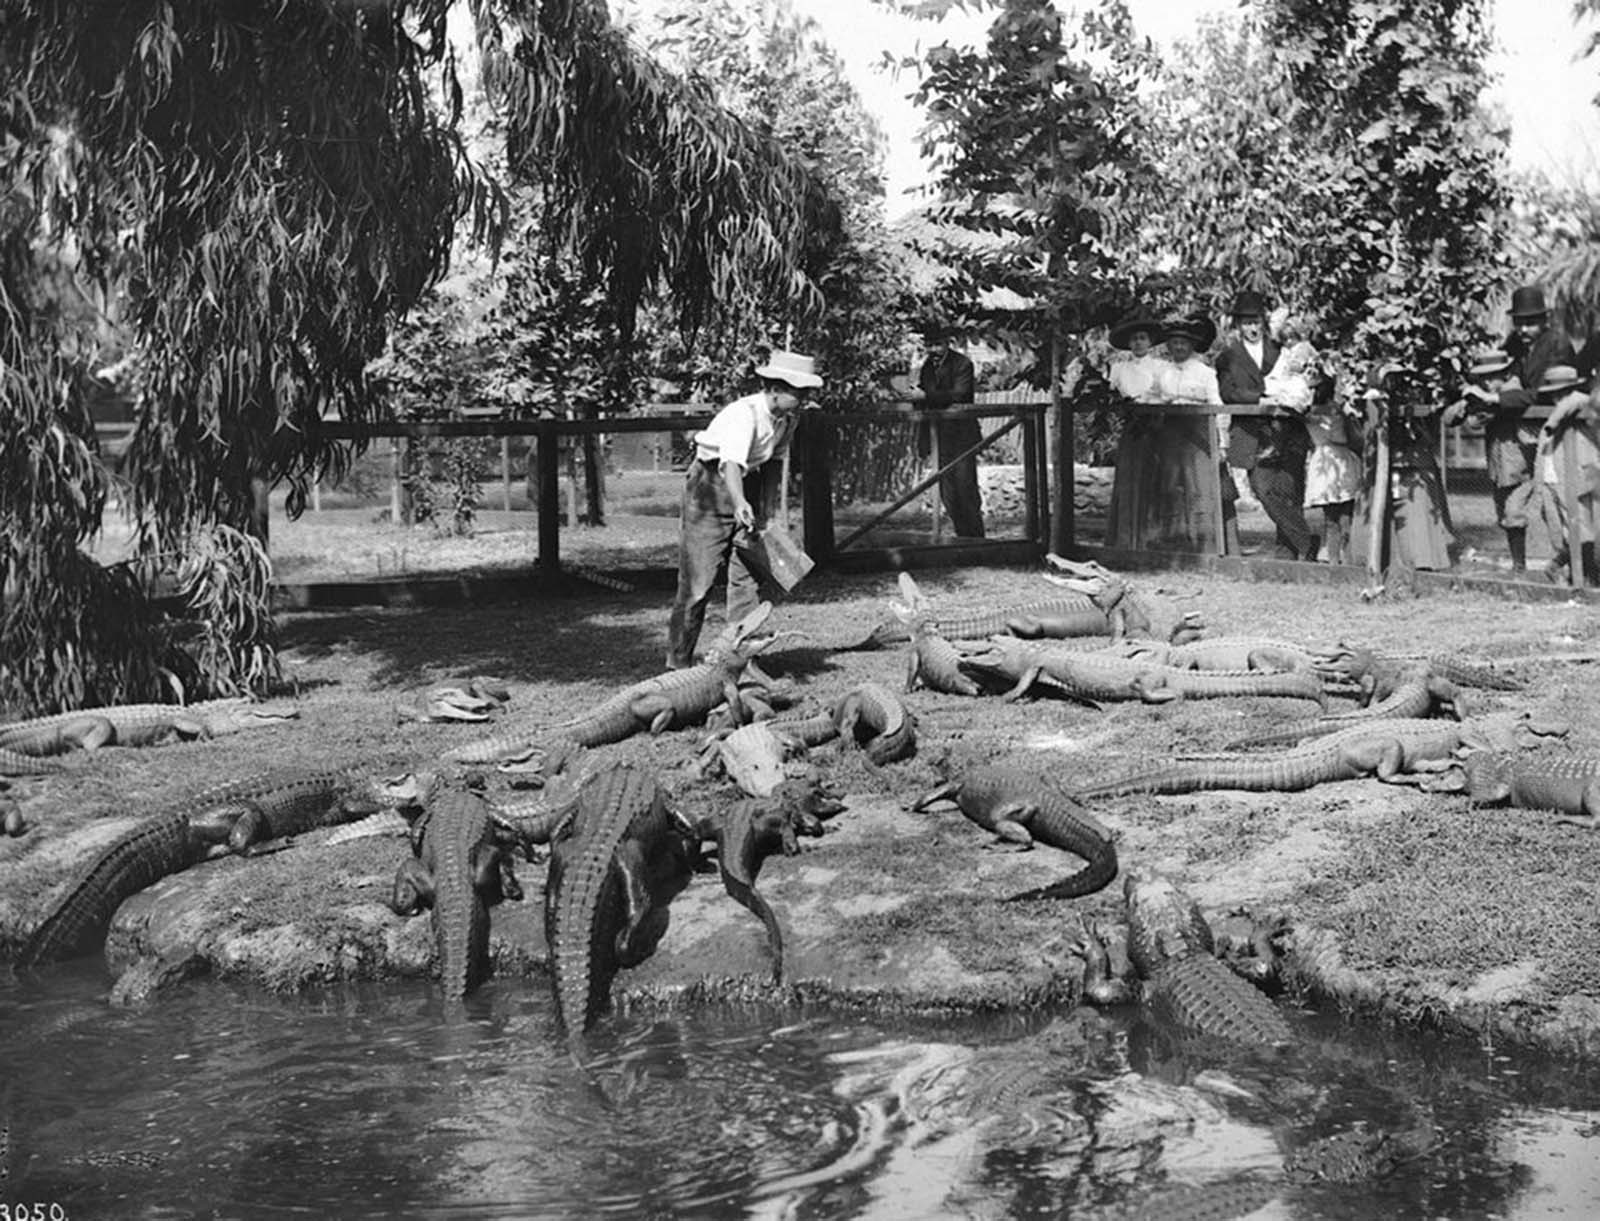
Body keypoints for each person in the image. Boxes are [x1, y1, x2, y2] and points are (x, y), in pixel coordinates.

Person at [665, 349, 821, 669]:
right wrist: (740, 504)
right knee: (698, 583)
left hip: (749, 487)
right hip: (710, 489)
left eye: (805, 393)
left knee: (746, 580)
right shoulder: (744, 414)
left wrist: (768, 509)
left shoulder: (789, 419)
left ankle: (741, 659)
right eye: (798, 392)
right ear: (775, 389)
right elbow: (730, 464)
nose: (803, 399)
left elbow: (775, 462)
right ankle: (677, 665)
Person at [1463, 285, 1573, 573]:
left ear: (1544, 320)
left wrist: (1498, 398)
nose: (1524, 328)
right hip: (1519, 433)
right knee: (1511, 500)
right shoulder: (1515, 343)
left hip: (1554, 433)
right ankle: (1520, 567)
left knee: (1557, 500)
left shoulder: (1557, 344)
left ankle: (1572, 564)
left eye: (1531, 322)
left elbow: (1545, 393)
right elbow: (1499, 372)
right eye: (1520, 322)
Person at [1216, 290, 1314, 560]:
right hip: (1251, 432)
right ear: (1238, 325)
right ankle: (1307, 540)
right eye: (1246, 323)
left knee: (1289, 490)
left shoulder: (1281, 350)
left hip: (1288, 430)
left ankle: (1288, 553)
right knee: (1262, 487)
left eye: (1256, 321)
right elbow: (1228, 392)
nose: (1252, 328)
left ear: (1263, 321)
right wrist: (1262, 398)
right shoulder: (1228, 356)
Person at [1142, 313, 1236, 552]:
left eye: (1184, 343)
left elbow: (1218, 405)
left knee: (1200, 486)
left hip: (1200, 435)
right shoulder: (1162, 372)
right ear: (1168, 346)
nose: (1179, 347)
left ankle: (1206, 545)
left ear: (1192, 345)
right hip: (1170, 435)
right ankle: (1173, 543)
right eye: (1174, 343)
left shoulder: (1204, 372)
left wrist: (1222, 443)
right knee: (1171, 485)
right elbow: (1152, 396)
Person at [1353, 363, 1456, 572]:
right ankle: (1376, 559)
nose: (1397, 385)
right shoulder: (1370, 401)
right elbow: (1368, 430)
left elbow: (1429, 435)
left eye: (1400, 379)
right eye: (1392, 379)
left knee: (1417, 511)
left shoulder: (1421, 401)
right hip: (1382, 462)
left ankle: (1422, 559)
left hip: (1413, 465)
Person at [908, 322, 984, 538]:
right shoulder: (927, 367)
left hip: (961, 437)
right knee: (948, 493)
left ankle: (977, 540)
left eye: (937, 345)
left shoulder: (963, 364)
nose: (933, 350)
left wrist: (926, 396)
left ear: (947, 344)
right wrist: (922, 438)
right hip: (939, 436)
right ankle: (962, 537)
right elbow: (926, 402)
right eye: (929, 345)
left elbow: (960, 394)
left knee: (965, 488)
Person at [1102, 312, 1167, 549]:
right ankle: (1126, 537)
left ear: (1150, 342)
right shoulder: (1119, 368)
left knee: (1154, 478)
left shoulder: (1162, 367)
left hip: (1156, 426)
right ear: (1129, 344)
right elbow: (1111, 396)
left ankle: (1153, 536)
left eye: (1142, 338)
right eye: (1134, 339)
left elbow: (1165, 396)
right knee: (1130, 477)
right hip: (1131, 426)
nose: (1138, 342)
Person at [1532, 364, 1599, 585]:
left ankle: (1578, 574)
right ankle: (1572, 574)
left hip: (1577, 476)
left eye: (1563, 391)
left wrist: (1555, 417)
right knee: (1560, 532)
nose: (1558, 398)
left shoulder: (1581, 403)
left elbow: (1575, 400)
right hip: (1551, 478)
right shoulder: (1553, 413)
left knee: (1584, 531)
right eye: (1555, 393)